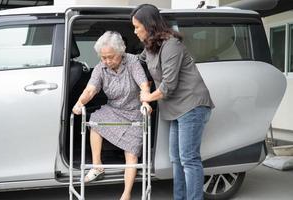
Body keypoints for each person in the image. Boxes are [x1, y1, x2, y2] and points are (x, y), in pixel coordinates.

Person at [131, 4, 215, 200]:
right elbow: (137, 61)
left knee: (189, 159)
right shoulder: (150, 47)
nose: (134, 31)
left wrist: (148, 97)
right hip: (176, 109)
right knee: (176, 160)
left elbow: (169, 84)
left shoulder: (171, 45)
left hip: (192, 105)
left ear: (148, 25)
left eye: (137, 27)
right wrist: (114, 58)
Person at [72, 31, 151, 200]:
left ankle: (126, 194)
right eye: (103, 57)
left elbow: (144, 85)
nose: (107, 61)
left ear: (121, 53)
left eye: (110, 57)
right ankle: (97, 166)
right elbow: (91, 89)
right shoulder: (101, 68)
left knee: (131, 154)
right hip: (114, 109)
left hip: (134, 111)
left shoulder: (132, 61)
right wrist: (80, 103)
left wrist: (145, 102)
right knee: (95, 120)